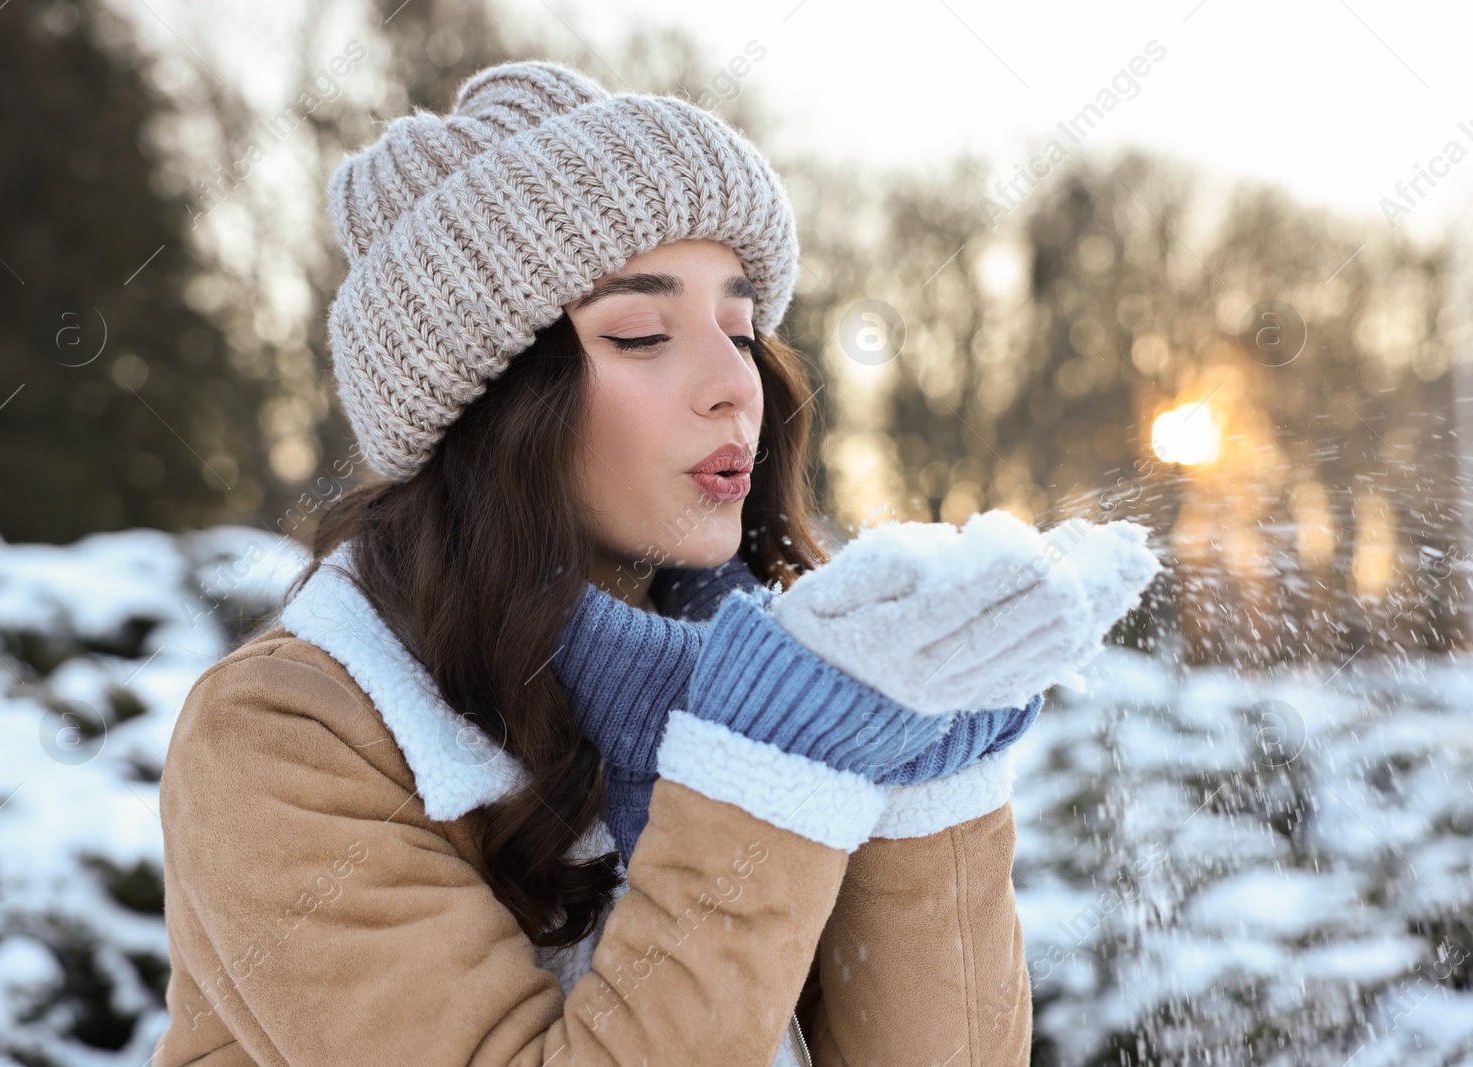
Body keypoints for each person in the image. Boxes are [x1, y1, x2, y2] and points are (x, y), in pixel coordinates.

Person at [152, 59, 1157, 1066]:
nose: (736, 385)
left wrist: (931, 753)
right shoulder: (287, 736)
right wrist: (765, 764)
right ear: (494, 403)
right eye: (640, 332)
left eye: (740, 323)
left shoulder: (793, 680)